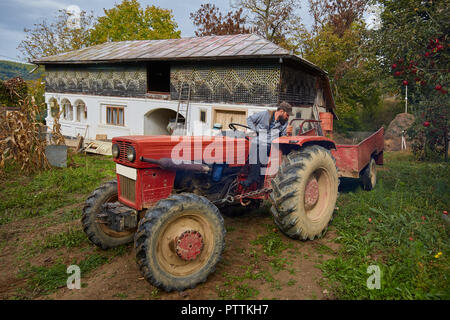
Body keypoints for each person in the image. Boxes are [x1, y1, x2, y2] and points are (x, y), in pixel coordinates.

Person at [241, 101, 293, 188]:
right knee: (247, 148)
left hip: (271, 146)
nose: (288, 118)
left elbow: (284, 137)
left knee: (260, 150)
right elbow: (249, 119)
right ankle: (243, 171)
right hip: (257, 142)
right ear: (281, 111)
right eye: (287, 115)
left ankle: (253, 178)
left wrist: (288, 134)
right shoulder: (265, 114)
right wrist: (254, 129)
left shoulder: (284, 124)